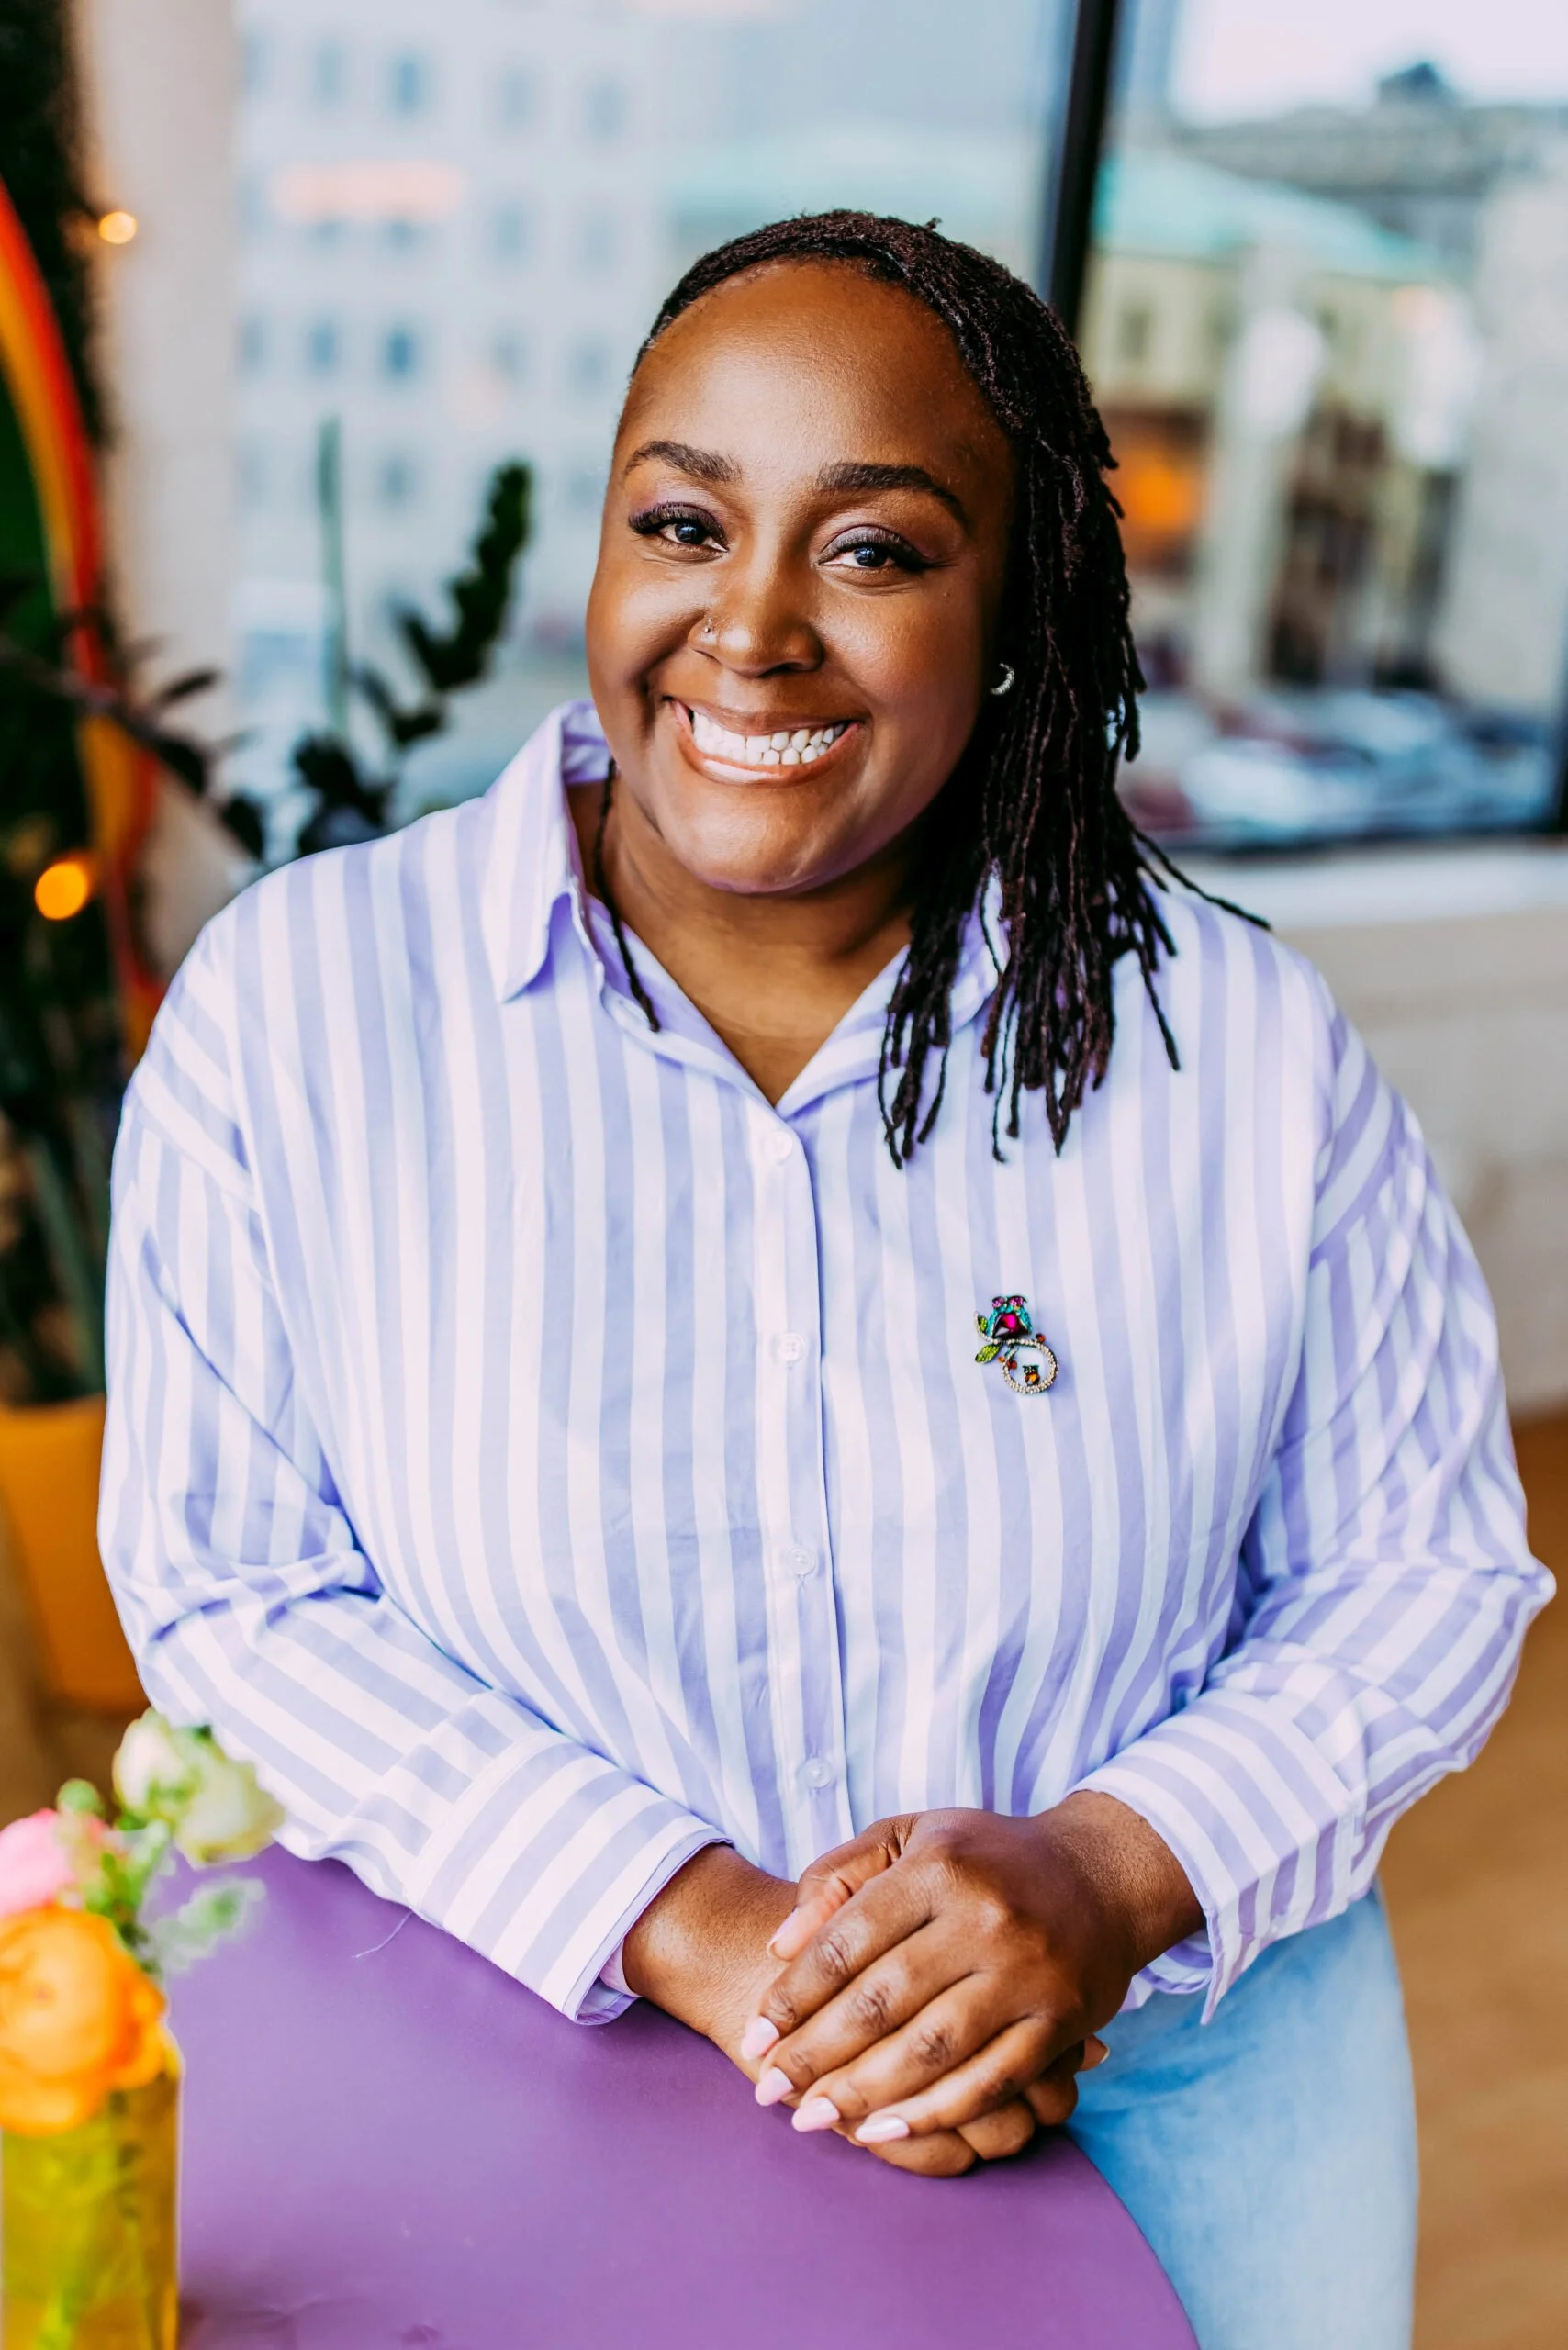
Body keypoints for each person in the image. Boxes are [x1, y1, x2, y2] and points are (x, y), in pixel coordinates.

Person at [100, 213, 1550, 2349]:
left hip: (1153, 2076)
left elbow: (1420, 1565)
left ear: (1020, 608)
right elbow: (231, 1588)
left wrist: (1105, 1871)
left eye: (871, 548)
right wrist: (693, 1920)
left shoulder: (1234, 1056)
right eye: (679, 520)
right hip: (516, 2038)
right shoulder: (301, 1011)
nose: (747, 626)